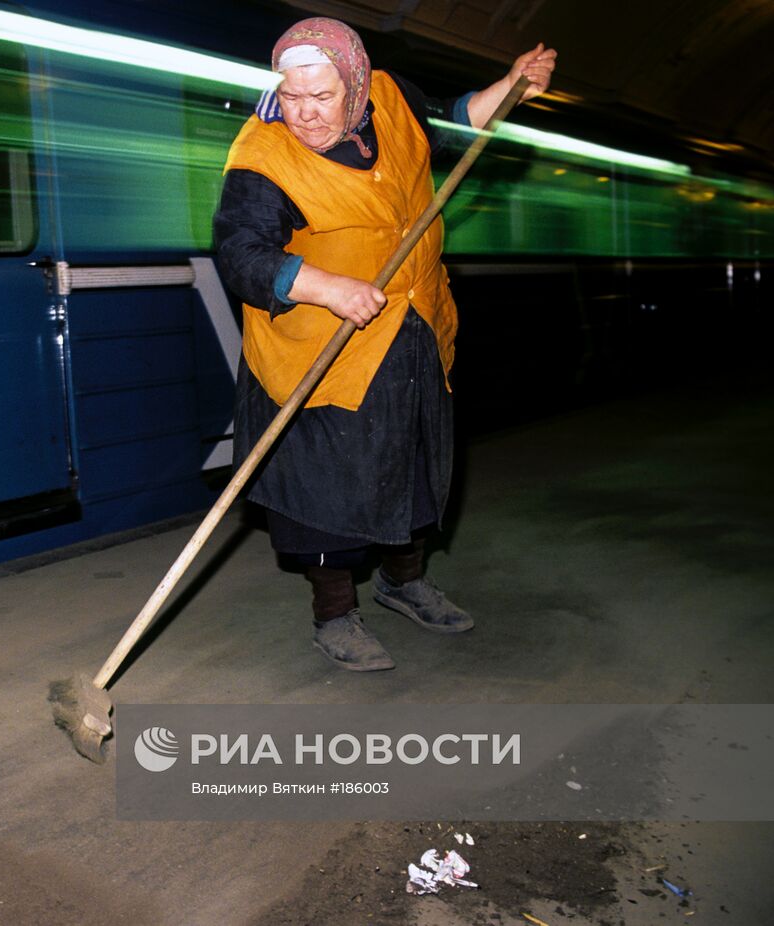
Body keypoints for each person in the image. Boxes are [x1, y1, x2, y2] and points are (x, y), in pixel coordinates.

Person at [214, 18, 556, 671]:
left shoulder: (392, 98)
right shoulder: (262, 155)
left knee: (414, 468)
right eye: (292, 96)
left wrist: (511, 85)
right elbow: (240, 253)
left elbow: (451, 122)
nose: (306, 114)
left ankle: (406, 582)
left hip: (415, 328)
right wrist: (325, 286)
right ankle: (334, 614)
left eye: (323, 97)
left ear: (358, 85)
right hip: (321, 353)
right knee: (326, 494)